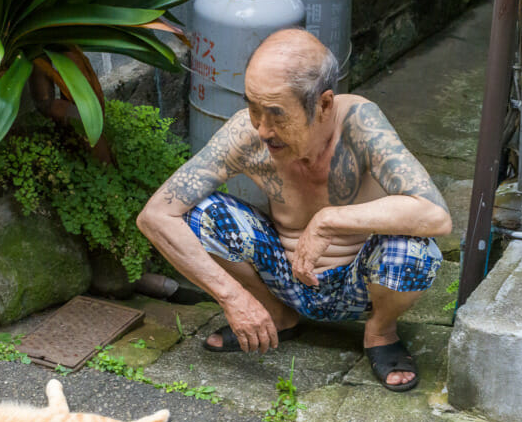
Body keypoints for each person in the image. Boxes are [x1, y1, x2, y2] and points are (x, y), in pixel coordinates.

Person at [137, 29, 452, 391]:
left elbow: (436, 214)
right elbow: (156, 215)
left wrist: (328, 221)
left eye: (276, 115)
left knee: (415, 249)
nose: (263, 129)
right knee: (199, 214)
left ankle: (380, 332)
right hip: (283, 277)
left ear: (324, 105)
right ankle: (276, 313)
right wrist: (233, 298)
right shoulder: (246, 133)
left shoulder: (360, 123)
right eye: (253, 108)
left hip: (359, 284)